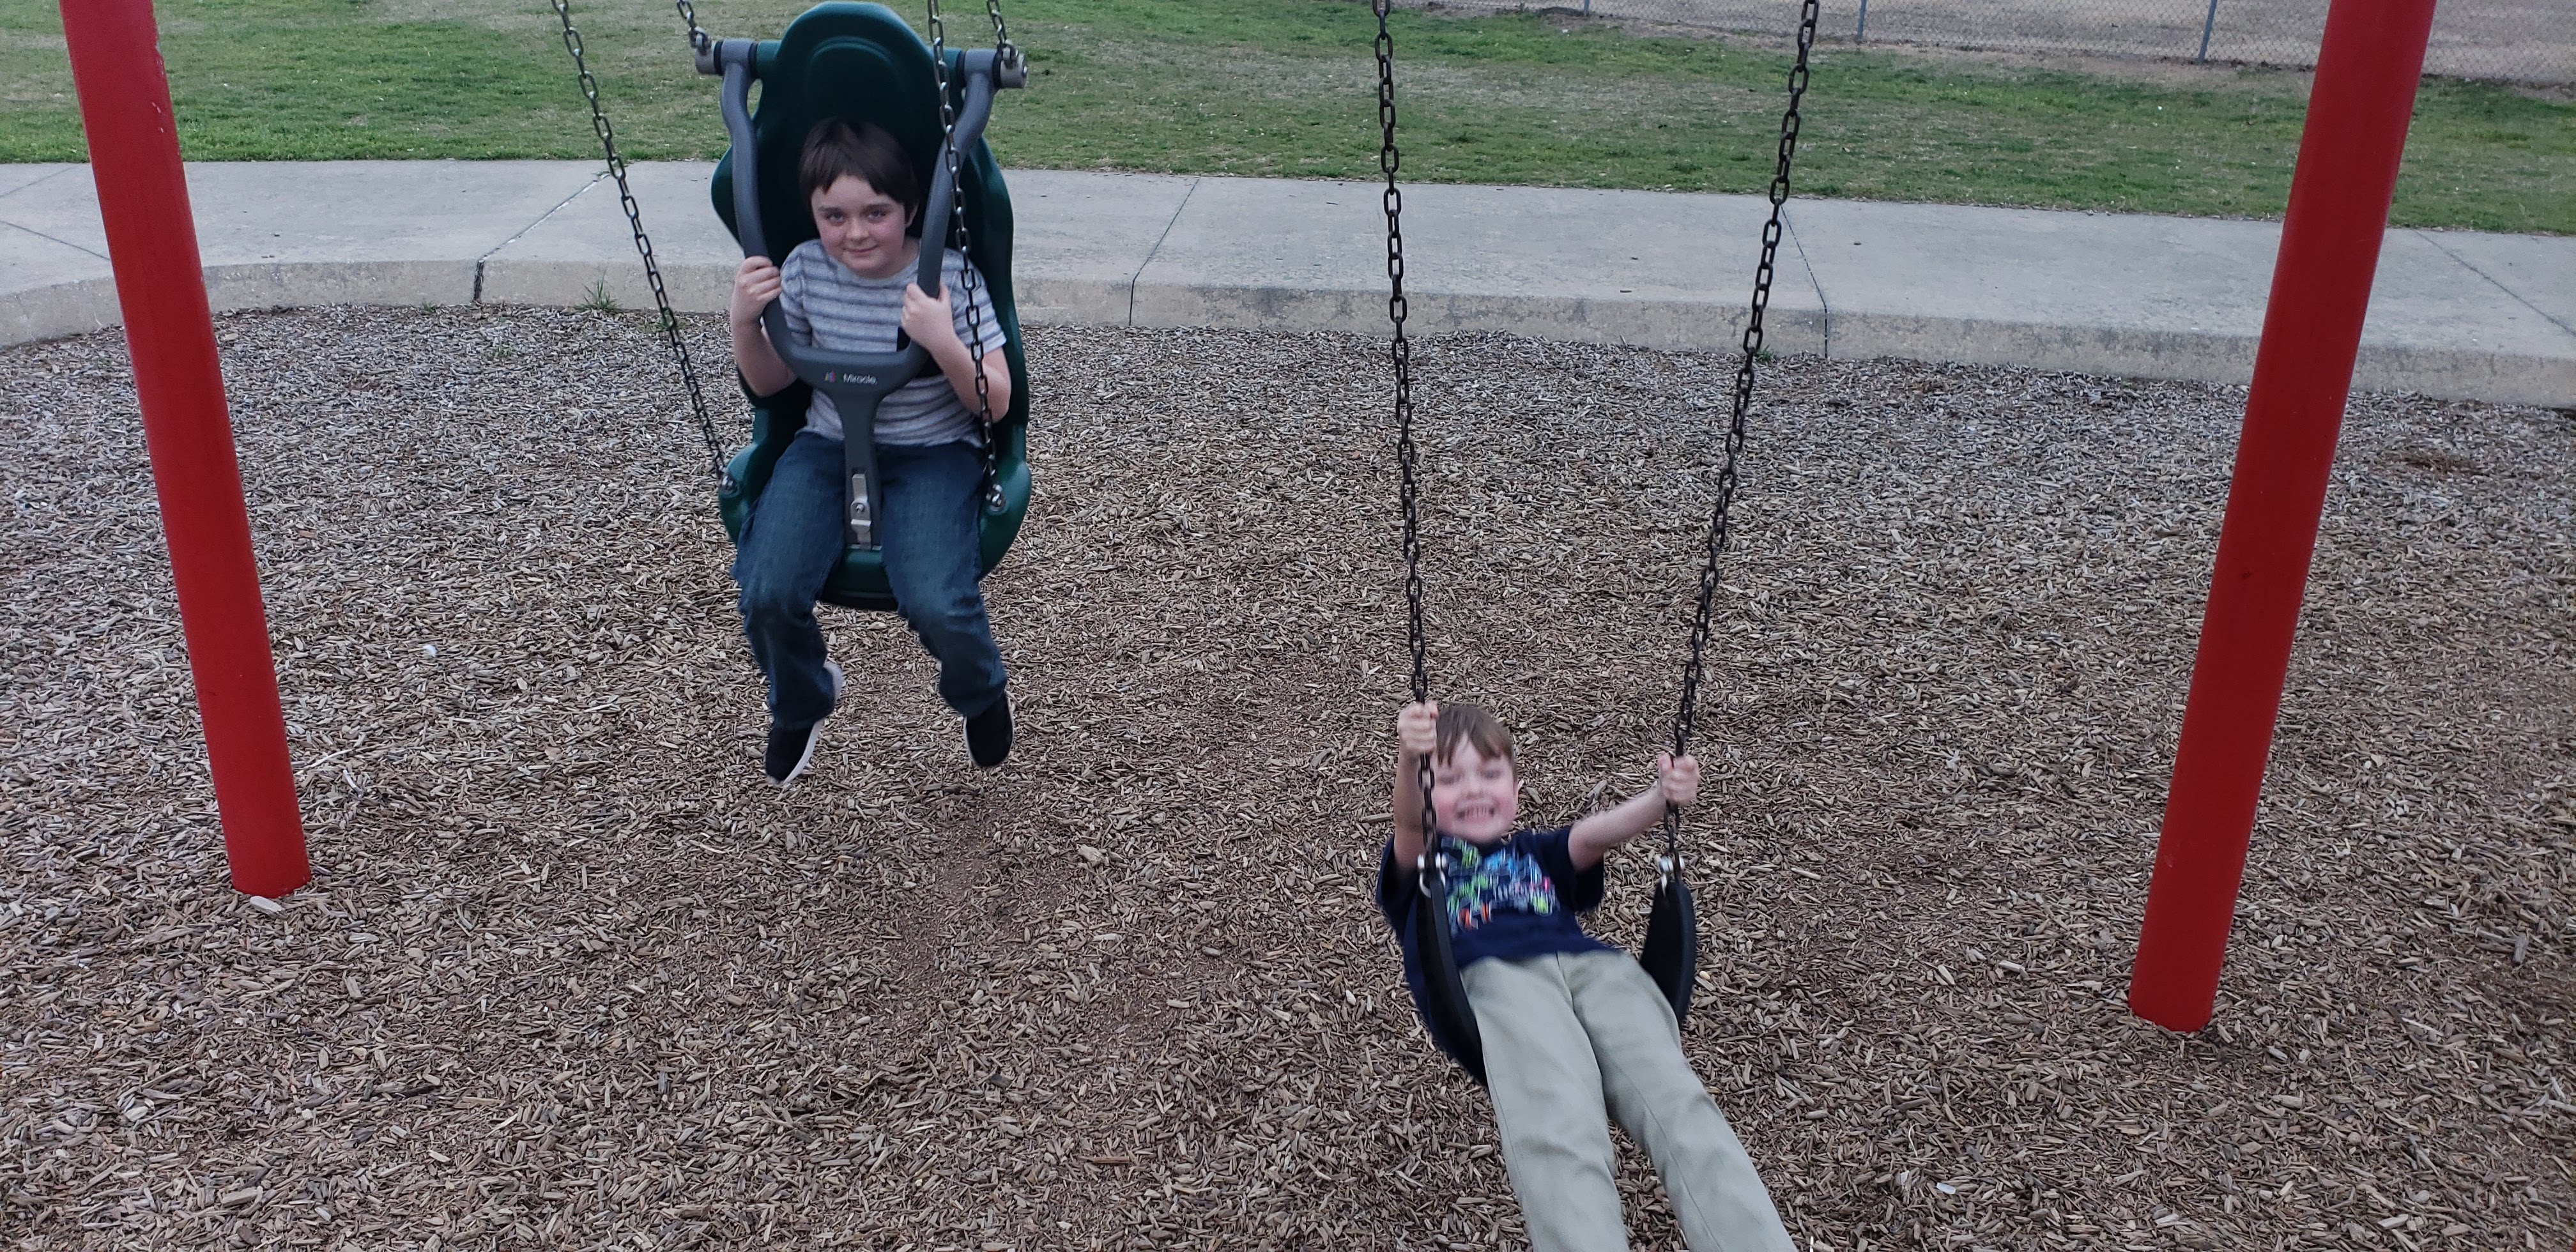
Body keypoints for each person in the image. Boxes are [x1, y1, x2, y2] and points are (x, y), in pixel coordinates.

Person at [1377, 700, 1794, 1252]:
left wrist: (1660, 799)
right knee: (1561, 1123)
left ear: (1516, 791)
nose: (1474, 789)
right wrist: (1412, 758)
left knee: (1682, 1107)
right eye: (1450, 780)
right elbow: (1409, 821)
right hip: (1505, 981)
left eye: (1490, 774)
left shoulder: (1534, 853)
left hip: (1597, 973)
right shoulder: (1425, 866)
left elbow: (1595, 835)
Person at [729, 118, 1015, 785]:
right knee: (766, 590)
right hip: (827, 447)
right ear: (813, 215)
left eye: (876, 213)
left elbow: (996, 401)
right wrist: (745, 321)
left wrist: (942, 339)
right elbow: (770, 383)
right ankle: (803, 698)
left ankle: (980, 692)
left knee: (938, 599)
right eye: (834, 216)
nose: (855, 233)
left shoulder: (950, 277)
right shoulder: (806, 269)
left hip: (934, 453)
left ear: (911, 210)